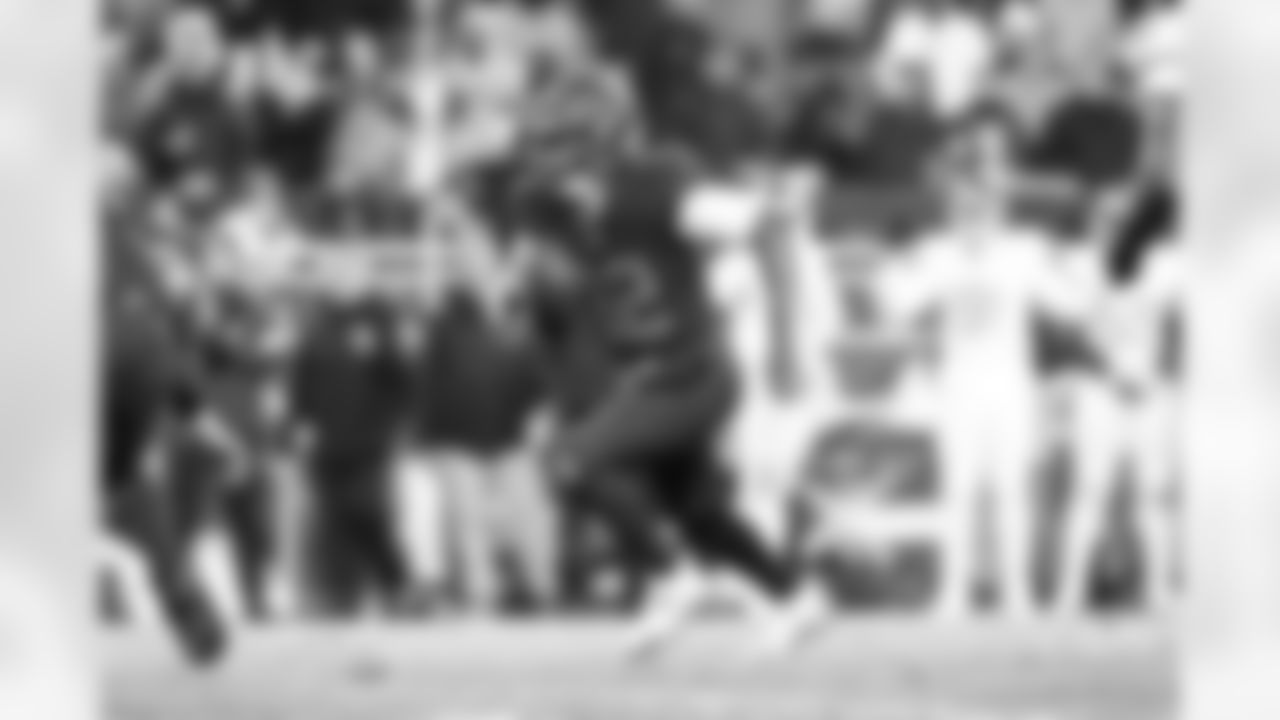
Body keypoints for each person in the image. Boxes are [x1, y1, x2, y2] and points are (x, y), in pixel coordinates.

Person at [515, 155, 827, 659]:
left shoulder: (653, 196)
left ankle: (670, 574)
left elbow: (768, 226)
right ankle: (796, 597)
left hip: (690, 373)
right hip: (654, 379)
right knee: (701, 513)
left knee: (566, 461)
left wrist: (784, 343)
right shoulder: (569, 228)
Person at [880, 111, 1092, 619]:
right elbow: (898, 303)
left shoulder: (1022, 252)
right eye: (964, 206)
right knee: (959, 489)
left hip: (1009, 386)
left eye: (983, 204)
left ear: (998, 208)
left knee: (1010, 489)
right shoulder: (939, 253)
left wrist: (1066, 261)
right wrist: (899, 261)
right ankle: (953, 592)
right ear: (954, 209)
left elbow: (1070, 305)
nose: (973, 213)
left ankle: (1017, 593)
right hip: (960, 386)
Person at [287, 301, 409, 617]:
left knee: (367, 515)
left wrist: (380, 353)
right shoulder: (315, 336)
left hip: (369, 444)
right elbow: (302, 383)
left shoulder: (378, 330)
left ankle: (394, 586)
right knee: (334, 521)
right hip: (328, 445)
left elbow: (402, 384)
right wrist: (301, 424)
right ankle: (340, 595)